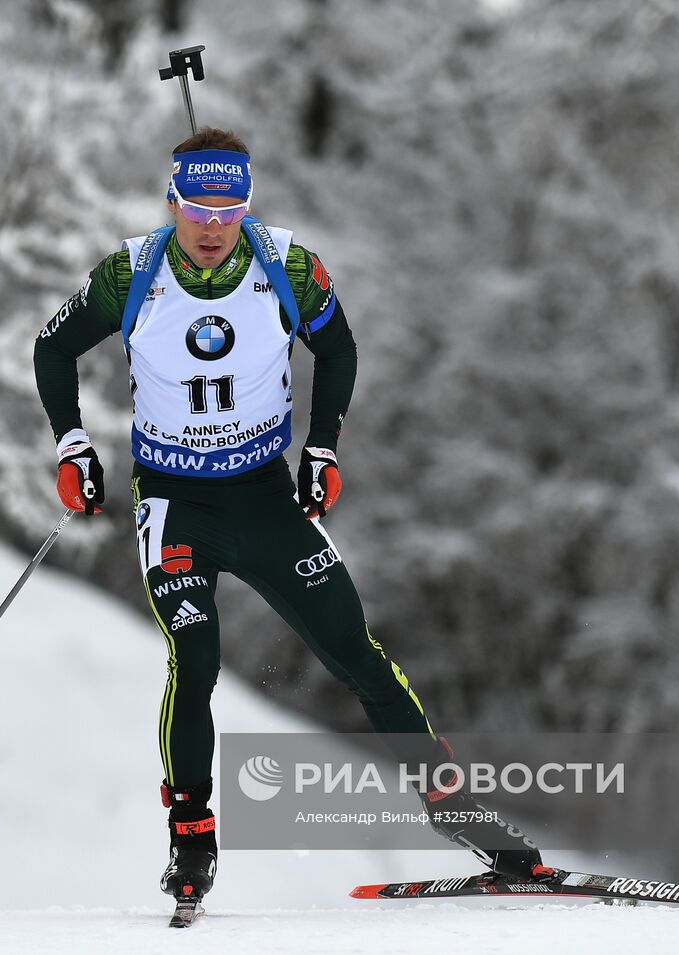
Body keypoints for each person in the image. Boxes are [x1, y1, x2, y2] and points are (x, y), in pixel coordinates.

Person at [33, 127, 548, 901]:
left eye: (229, 208)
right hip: (176, 502)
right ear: (172, 201)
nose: (212, 226)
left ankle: (457, 808)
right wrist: (72, 445)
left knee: (354, 650)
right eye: (198, 207)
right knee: (196, 654)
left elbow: (337, 349)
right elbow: (51, 346)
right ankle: (192, 838)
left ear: (246, 204)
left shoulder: (286, 266)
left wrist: (324, 448)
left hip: (266, 495)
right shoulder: (132, 272)